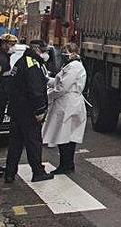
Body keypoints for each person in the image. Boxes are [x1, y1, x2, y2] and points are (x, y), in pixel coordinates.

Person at [3, 41, 53, 183]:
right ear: (36, 50)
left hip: (17, 110)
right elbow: (35, 90)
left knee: (15, 144)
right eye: (43, 51)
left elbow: (10, 86)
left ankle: (10, 173)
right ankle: (38, 172)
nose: (45, 54)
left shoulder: (20, 62)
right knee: (33, 142)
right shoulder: (31, 64)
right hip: (28, 111)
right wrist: (39, 110)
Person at [43, 43, 87, 175]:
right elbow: (58, 81)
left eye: (66, 52)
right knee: (66, 136)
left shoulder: (74, 66)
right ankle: (67, 164)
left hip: (68, 104)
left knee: (65, 136)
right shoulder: (70, 66)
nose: (64, 54)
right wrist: (46, 80)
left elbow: (62, 87)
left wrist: (48, 96)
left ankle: (65, 165)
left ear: (73, 53)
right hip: (68, 103)